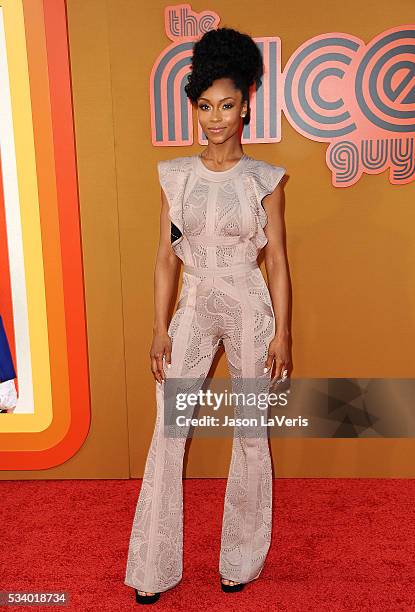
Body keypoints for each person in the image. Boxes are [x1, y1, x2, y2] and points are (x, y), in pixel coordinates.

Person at [125, 27, 292, 604]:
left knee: (250, 433)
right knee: (169, 431)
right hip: (192, 304)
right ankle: (153, 568)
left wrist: (284, 334)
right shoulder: (174, 176)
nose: (215, 118)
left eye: (226, 105)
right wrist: (157, 325)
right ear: (194, 109)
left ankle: (241, 561)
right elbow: (164, 257)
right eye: (204, 106)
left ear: (247, 105)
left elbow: (279, 265)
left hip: (250, 306)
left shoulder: (265, 181)